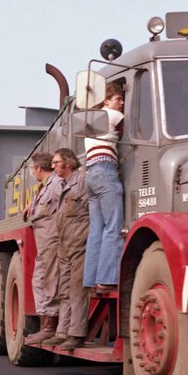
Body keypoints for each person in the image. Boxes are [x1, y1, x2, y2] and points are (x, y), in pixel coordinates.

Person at [42, 148, 90, 350]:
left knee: (77, 288)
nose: (52, 166)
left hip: (79, 240)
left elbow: (93, 210)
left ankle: (76, 333)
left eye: (56, 162)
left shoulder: (82, 181)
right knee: (64, 288)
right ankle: (62, 331)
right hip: (64, 241)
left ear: (68, 163)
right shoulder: (60, 185)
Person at [83, 81, 125, 291]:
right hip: (106, 170)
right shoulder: (111, 114)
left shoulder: (93, 120)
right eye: (118, 98)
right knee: (114, 226)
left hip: (91, 174)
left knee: (96, 230)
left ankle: (91, 280)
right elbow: (135, 126)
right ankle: (107, 279)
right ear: (106, 100)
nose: (122, 102)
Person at [22, 152, 62, 344]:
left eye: (33, 169)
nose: (32, 172)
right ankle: (47, 326)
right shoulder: (47, 187)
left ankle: (49, 328)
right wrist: (33, 205)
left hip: (52, 242)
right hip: (45, 243)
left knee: (48, 282)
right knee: (41, 281)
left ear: (38, 169)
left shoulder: (55, 185)